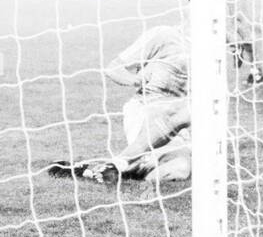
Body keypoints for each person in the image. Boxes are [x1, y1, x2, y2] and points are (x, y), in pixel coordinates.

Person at [47, 25, 191, 183]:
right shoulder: (165, 36)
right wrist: (136, 80)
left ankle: (105, 169)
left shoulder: (215, 47)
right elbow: (114, 68)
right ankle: (114, 168)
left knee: (179, 168)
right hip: (148, 114)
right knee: (180, 167)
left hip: (180, 124)